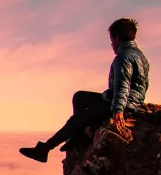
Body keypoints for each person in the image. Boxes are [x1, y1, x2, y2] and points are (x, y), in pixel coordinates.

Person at [19, 18, 150, 163]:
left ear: (117, 38)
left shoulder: (123, 57)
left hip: (122, 103)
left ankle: (44, 149)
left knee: (79, 118)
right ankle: (77, 136)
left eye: (111, 39)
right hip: (127, 100)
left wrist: (118, 109)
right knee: (80, 97)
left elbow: (122, 84)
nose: (111, 44)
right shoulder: (140, 56)